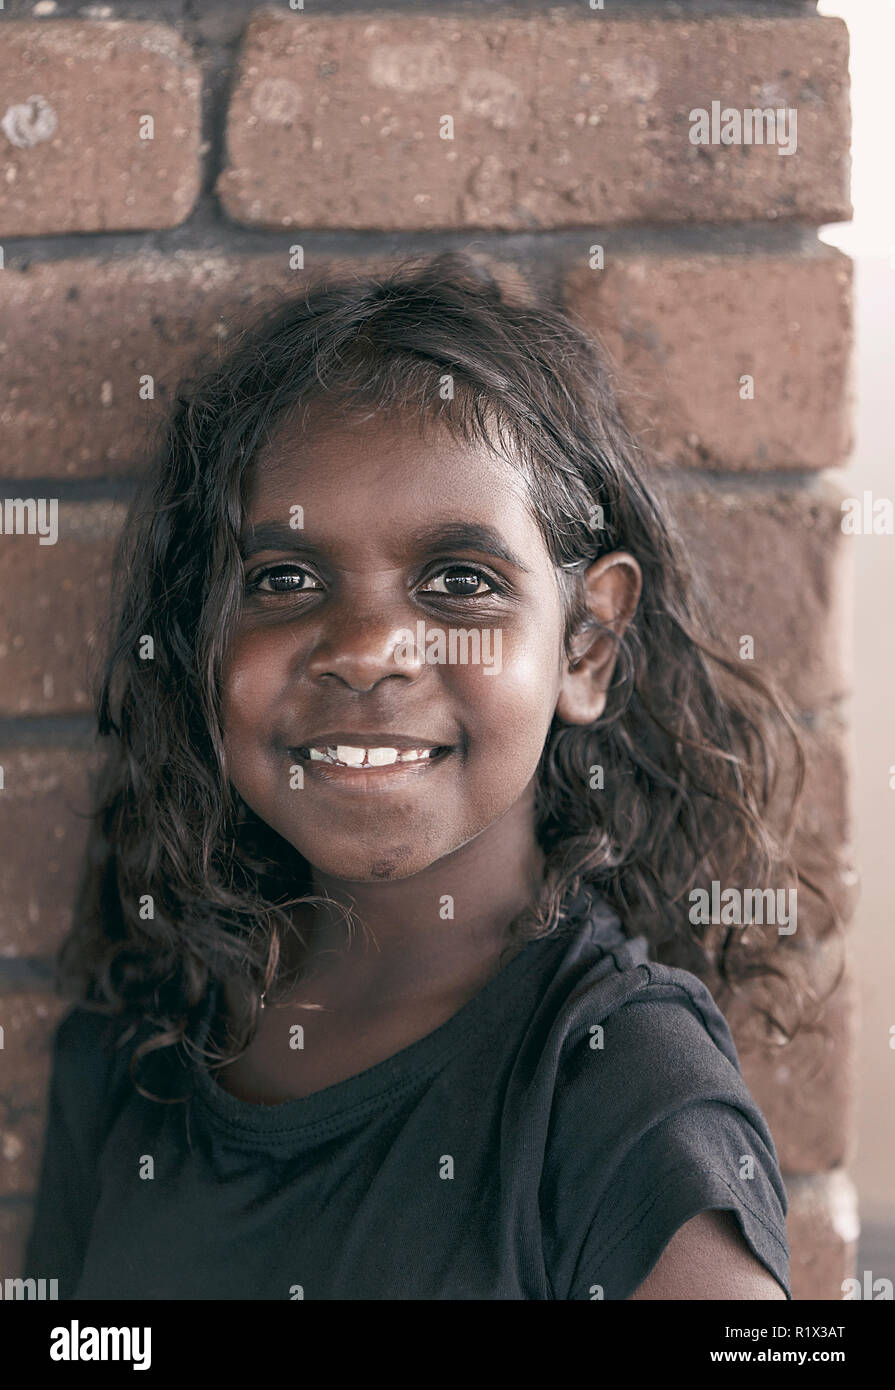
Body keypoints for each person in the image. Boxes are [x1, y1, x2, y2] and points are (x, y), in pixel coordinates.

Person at [25, 253, 836, 1300]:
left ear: (585, 643)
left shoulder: (617, 1086)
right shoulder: (138, 1035)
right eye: (284, 578)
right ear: (200, 641)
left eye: (459, 582)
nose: (365, 648)